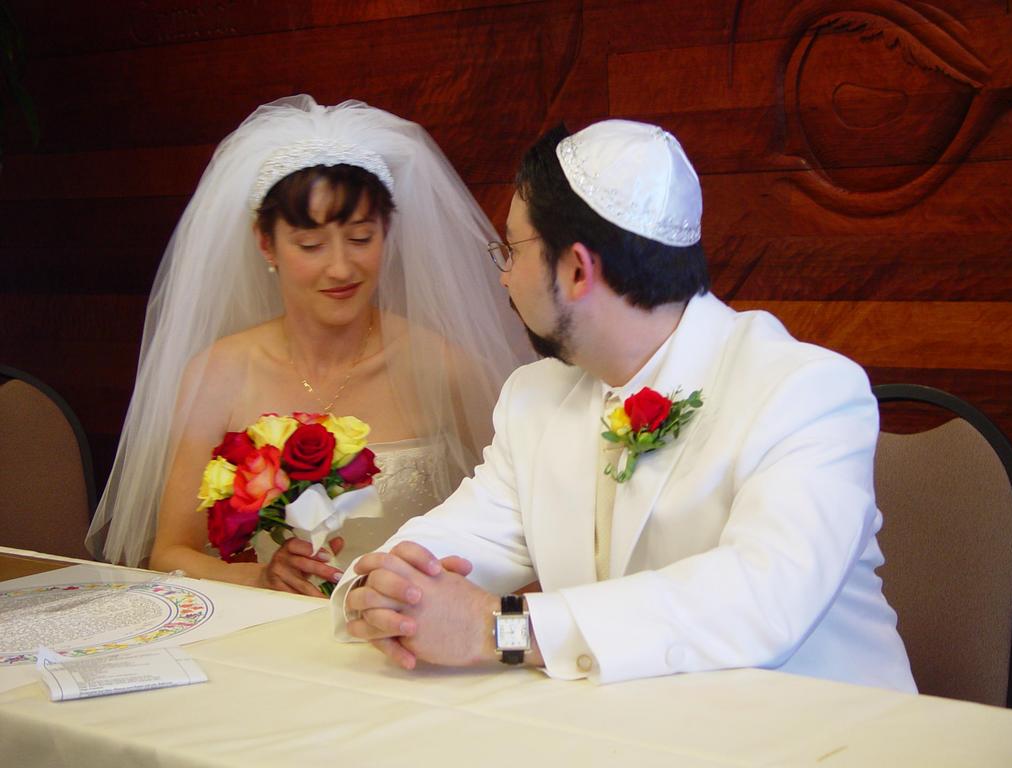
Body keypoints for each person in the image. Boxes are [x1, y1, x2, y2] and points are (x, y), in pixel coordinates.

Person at [334, 119, 917, 691]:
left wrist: (500, 630)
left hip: (824, 725)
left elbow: (764, 599)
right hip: (628, 722)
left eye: (511, 250)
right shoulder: (535, 397)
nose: (504, 278)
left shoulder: (804, 389)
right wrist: (379, 590)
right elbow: (459, 538)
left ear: (577, 269)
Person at [85, 96, 532, 596]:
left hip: (404, 625)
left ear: (386, 233)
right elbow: (170, 552)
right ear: (266, 243)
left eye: (360, 238)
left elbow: (524, 527)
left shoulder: (441, 365)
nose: (340, 268)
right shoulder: (220, 372)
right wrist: (258, 576)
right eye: (311, 245)